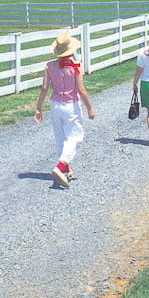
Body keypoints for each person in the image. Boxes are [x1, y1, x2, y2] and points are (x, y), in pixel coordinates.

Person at [34, 31, 95, 188]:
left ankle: (66, 169)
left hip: (55, 104)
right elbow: (81, 90)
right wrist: (89, 108)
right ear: (71, 50)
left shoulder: (49, 66)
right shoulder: (75, 67)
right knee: (75, 136)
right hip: (71, 105)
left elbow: (44, 87)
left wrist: (38, 109)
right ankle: (60, 166)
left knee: (60, 136)